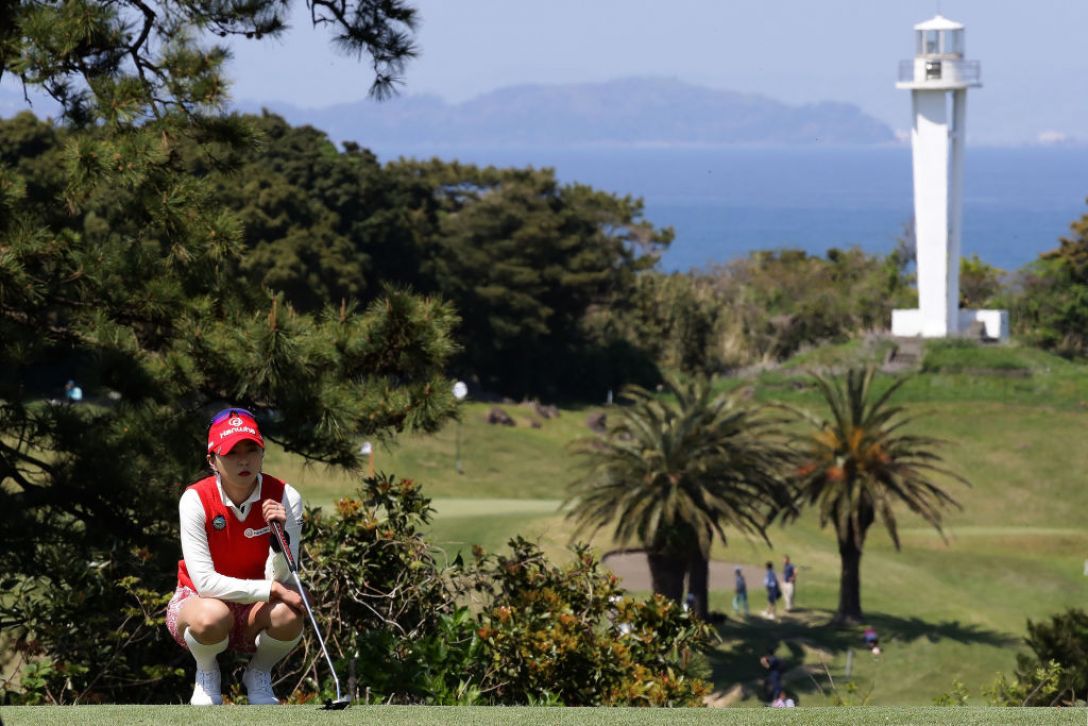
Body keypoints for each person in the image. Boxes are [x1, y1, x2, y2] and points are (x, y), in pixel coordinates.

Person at [165, 408, 306, 706]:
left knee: (289, 616)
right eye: (231, 453)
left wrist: (278, 540)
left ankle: (258, 674)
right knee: (211, 616)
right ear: (212, 460)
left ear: (262, 452)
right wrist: (273, 590)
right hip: (199, 601)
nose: (244, 460)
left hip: (258, 604)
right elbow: (204, 583)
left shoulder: (285, 496)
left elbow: (281, 576)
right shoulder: (195, 499)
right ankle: (207, 672)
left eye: (251, 449)